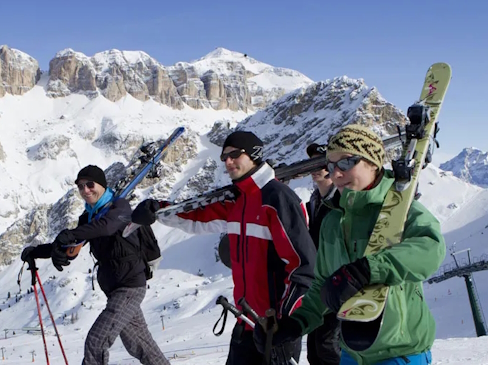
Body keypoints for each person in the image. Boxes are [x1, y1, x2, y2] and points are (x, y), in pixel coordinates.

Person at [258, 125, 446, 365]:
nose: (336, 174)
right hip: (350, 353)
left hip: (400, 354)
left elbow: (430, 249)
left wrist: (366, 270)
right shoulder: (334, 220)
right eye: (332, 165)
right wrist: (296, 323)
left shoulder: (399, 209)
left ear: (373, 163)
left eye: (346, 163)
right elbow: (321, 286)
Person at [132, 131, 317, 365]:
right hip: (246, 322)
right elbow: (197, 217)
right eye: (224, 157)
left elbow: (303, 266)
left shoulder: (278, 198)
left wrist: (284, 320)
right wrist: (158, 210)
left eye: (234, 155)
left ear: (254, 155)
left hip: (275, 326)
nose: (227, 162)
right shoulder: (236, 200)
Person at [21, 165, 169, 365]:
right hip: (115, 289)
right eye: (81, 187)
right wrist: (39, 251)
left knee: (96, 341)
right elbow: (72, 244)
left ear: (102, 185)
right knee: (140, 345)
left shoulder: (120, 207)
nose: (85, 190)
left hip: (129, 287)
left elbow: (106, 227)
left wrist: (72, 234)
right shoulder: (89, 217)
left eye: (90, 184)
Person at [304, 143, 341, 365]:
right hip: (316, 284)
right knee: (314, 350)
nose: (316, 168)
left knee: (329, 345)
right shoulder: (314, 199)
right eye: (313, 163)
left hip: (337, 282)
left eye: (321, 162)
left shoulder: (341, 201)